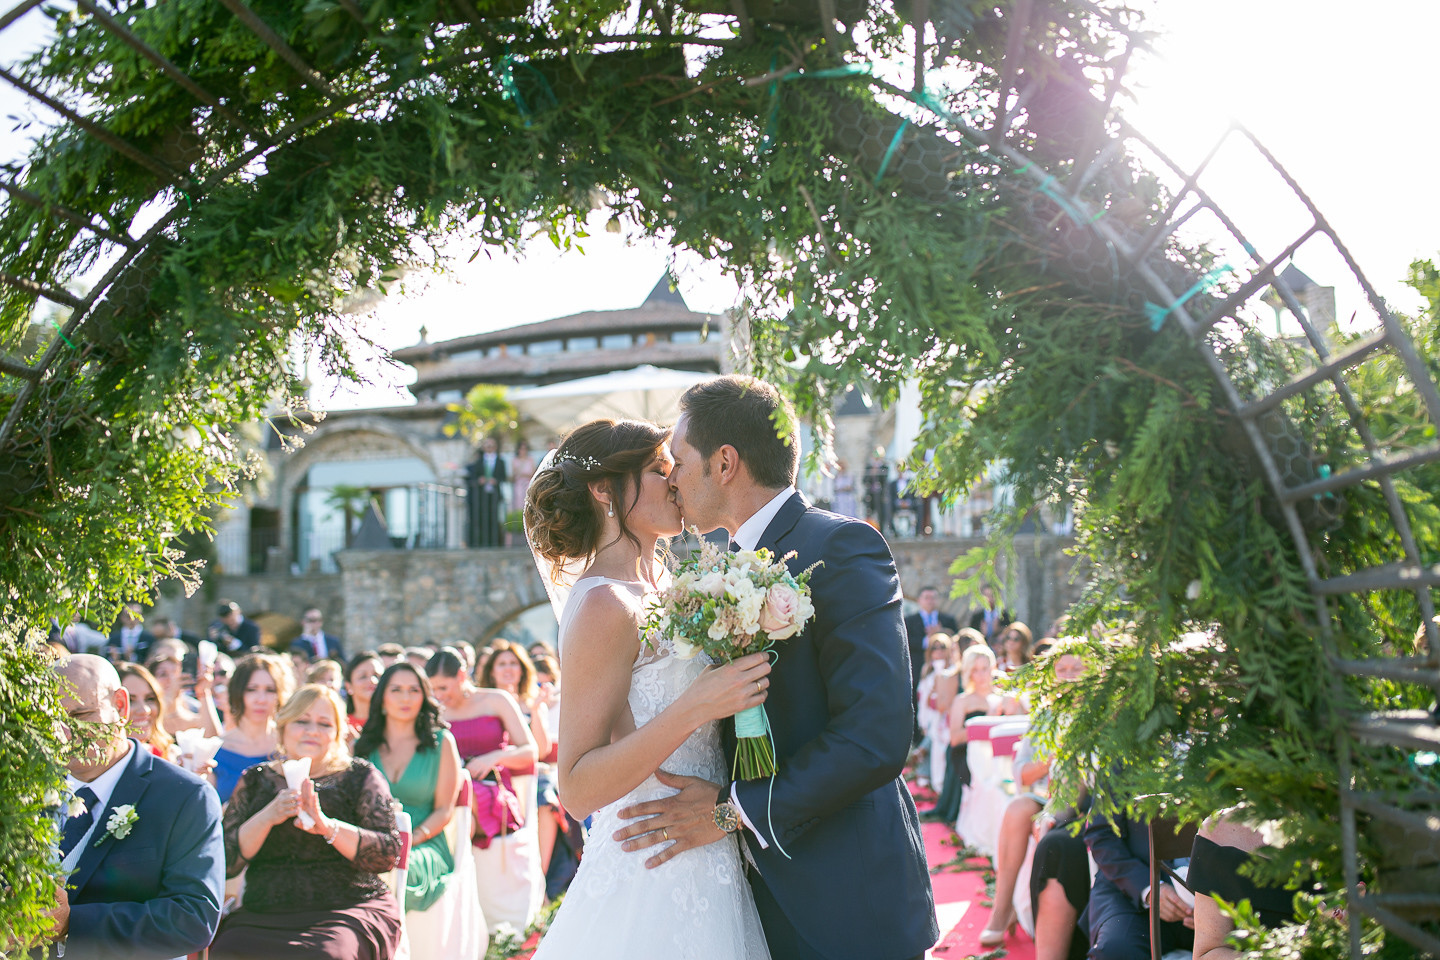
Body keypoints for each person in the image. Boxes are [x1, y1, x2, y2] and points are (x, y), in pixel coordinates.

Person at [616, 376, 939, 960]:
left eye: (679, 461)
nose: (672, 479)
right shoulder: (710, 573)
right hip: (743, 904)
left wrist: (730, 810)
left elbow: (876, 736)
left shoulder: (842, 548)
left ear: (725, 463)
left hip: (846, 901)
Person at [522, 416, 774, 959]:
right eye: (659, 471)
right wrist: (694, 706)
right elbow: (577, 789)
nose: (676, 481)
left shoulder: (665, 588)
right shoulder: (602, 605)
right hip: (649, 862)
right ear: (602, 490)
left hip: (708, 842)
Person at [46, 654, 225, 958]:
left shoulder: (184, 796)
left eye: (80, 715)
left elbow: (193, 919)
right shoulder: (23, 793)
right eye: (52, 718)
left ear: (120, 706)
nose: (64, 734)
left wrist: (74, 923)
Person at [211, 684, 403, 959]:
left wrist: (327, 826)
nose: (312, 730)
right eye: (302, 721)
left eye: (324, 724)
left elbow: (386, 855)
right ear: (283, 727)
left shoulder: (359, 776)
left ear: (337, 733)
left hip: (347, 909)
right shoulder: (256, 780)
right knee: (227, 951)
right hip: (264, 912)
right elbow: (226, 862)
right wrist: (268, 816)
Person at [426, 648, 541, 934]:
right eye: (433, 689)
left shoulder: (495, 699)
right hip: (452, 791)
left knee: (466, 797)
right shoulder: (432, 709)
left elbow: (531, 751)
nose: (438, 694)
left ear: (462, 676)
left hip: (494, 789)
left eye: (443, 687)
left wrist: (494, 757)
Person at [355, 663, 464, 913]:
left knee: (397, 873)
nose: (405, 698)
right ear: (382, 698)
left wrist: (410, 839)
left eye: (413, 690)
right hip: (372, 842)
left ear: (424, 697)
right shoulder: (362, 746)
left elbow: (444, 811)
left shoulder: (442, 742)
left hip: (422, 842)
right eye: (396, 690)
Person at [1082, 792, 1195, 960]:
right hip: (1134, 890)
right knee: (1116, 950)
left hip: (1219, 901)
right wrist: (1149, 889)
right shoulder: (1121, 765)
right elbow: (1102, 834)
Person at [480, 640, 561, 876]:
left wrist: (536, 710)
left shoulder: (532, 701)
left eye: (513, 663)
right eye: (502, 663)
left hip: (530, 773)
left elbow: (542, 749)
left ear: (522, 668)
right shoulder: (483, 703)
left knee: (545, 795)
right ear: (492, 671)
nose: (508, 669)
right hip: (494, 773)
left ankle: (540, 873)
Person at [924, 643, 1002, 825]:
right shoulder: (962, 700)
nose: (982, 675)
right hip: (966, 753)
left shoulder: (1003, 697)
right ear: (968, 672)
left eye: (985, 669)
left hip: (996, 755)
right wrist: (983, 727)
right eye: (976, 670)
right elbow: (955, 738)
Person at [214, 653, 293, 803]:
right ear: (237, 692)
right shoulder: (216, 750)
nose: (261, 699)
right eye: (252, 689)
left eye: (270, 690)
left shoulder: (291, 746)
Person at [904, 586, 959, 727]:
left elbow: (955, 640)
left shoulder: (947, 620)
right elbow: (905, 642)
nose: (930, 601)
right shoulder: (909, 621)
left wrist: (941, 634)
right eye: (926, 598)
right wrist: (927, 641)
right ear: (919, 600)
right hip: (918, 669)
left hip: (944, 668)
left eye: (933, 597)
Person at [117, 662, 175, 761]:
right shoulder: (92, 765)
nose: (145, 710)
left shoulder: (168, 755)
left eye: (150, 699)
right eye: (130, 701)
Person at [466, 435, 508, 548]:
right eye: (487, 445)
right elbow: (474, 477)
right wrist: (480, 480)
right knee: (482, 517)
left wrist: (496, 480)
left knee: (494, 517)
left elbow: (503, 477)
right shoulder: (479, 462)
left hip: (494, 493)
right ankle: (482, 542)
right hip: (481, 495)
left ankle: (494, 542)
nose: (489, 448)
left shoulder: (500, 461)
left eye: (491, 445)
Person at [343, 652, 383, 735]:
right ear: (348, 686)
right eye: (363, 676)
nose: (372, 680)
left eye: (377, 675)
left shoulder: (394, 723)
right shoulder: (341, 725)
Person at [511, 439, 538, 517]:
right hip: (518, 485)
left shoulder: (530, 459)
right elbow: (514, 474)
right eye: (521, 449)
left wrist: (524, 475)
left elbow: (533, 473)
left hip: (528, 484)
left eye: (525, 449)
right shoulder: (515, 460)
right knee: (518, 503)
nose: (523, 451)